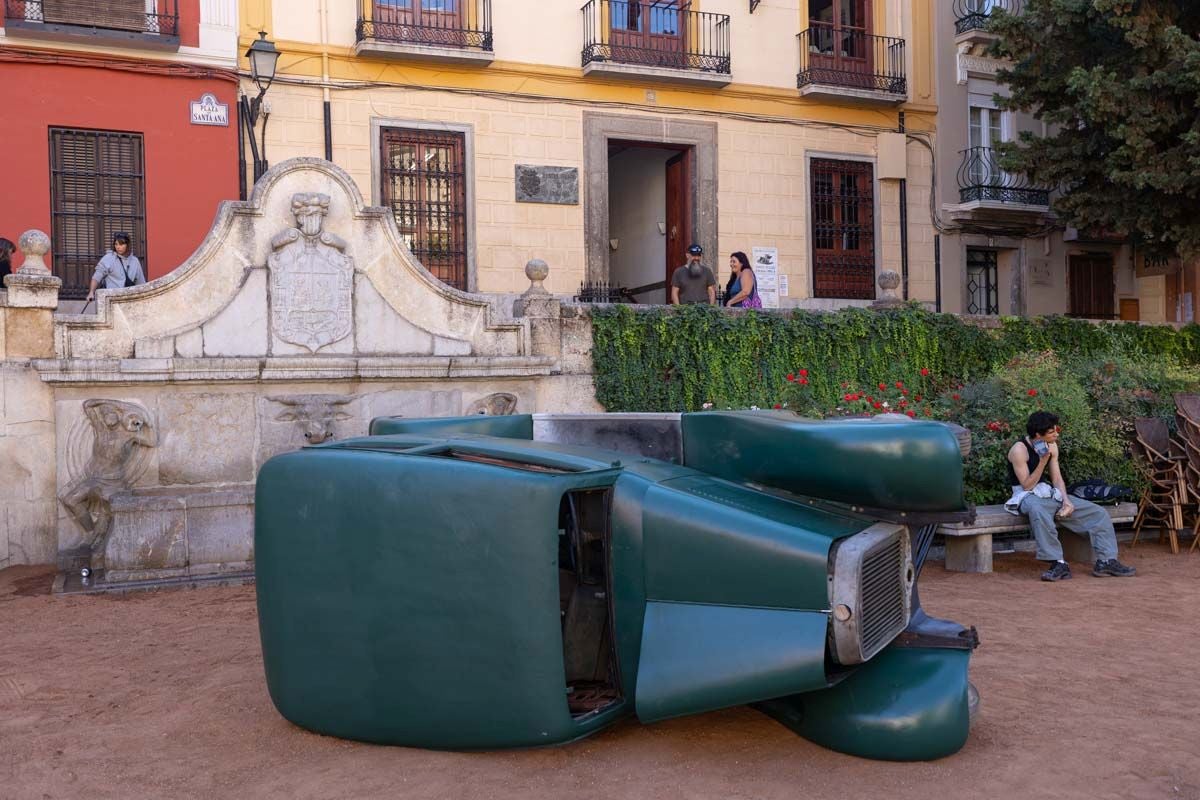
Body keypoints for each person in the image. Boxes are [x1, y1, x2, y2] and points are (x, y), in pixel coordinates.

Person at [1005, 410, 1136, 581]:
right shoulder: (1019, 450)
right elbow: (1027, 485)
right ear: (1038, 434)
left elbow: (1057, 478)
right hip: (1025, 495)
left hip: (1048, 493)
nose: (1056, 435)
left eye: (1056, 430)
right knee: (1039, 511)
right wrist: (1043, 460)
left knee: (1098, 513)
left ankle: (1106, 561)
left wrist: (1066, 501)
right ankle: (1058, 563)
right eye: (1051, 432)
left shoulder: (1052, 445)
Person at [86, 232, 145, 302]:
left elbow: (140, 282)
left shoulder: (135, 261)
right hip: (111, 299)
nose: (118, 247)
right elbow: (97, 277)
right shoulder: (108, 258)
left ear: (128, 245)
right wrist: (91, 292)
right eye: (116, 244)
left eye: (121, 244)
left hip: (128, 299)